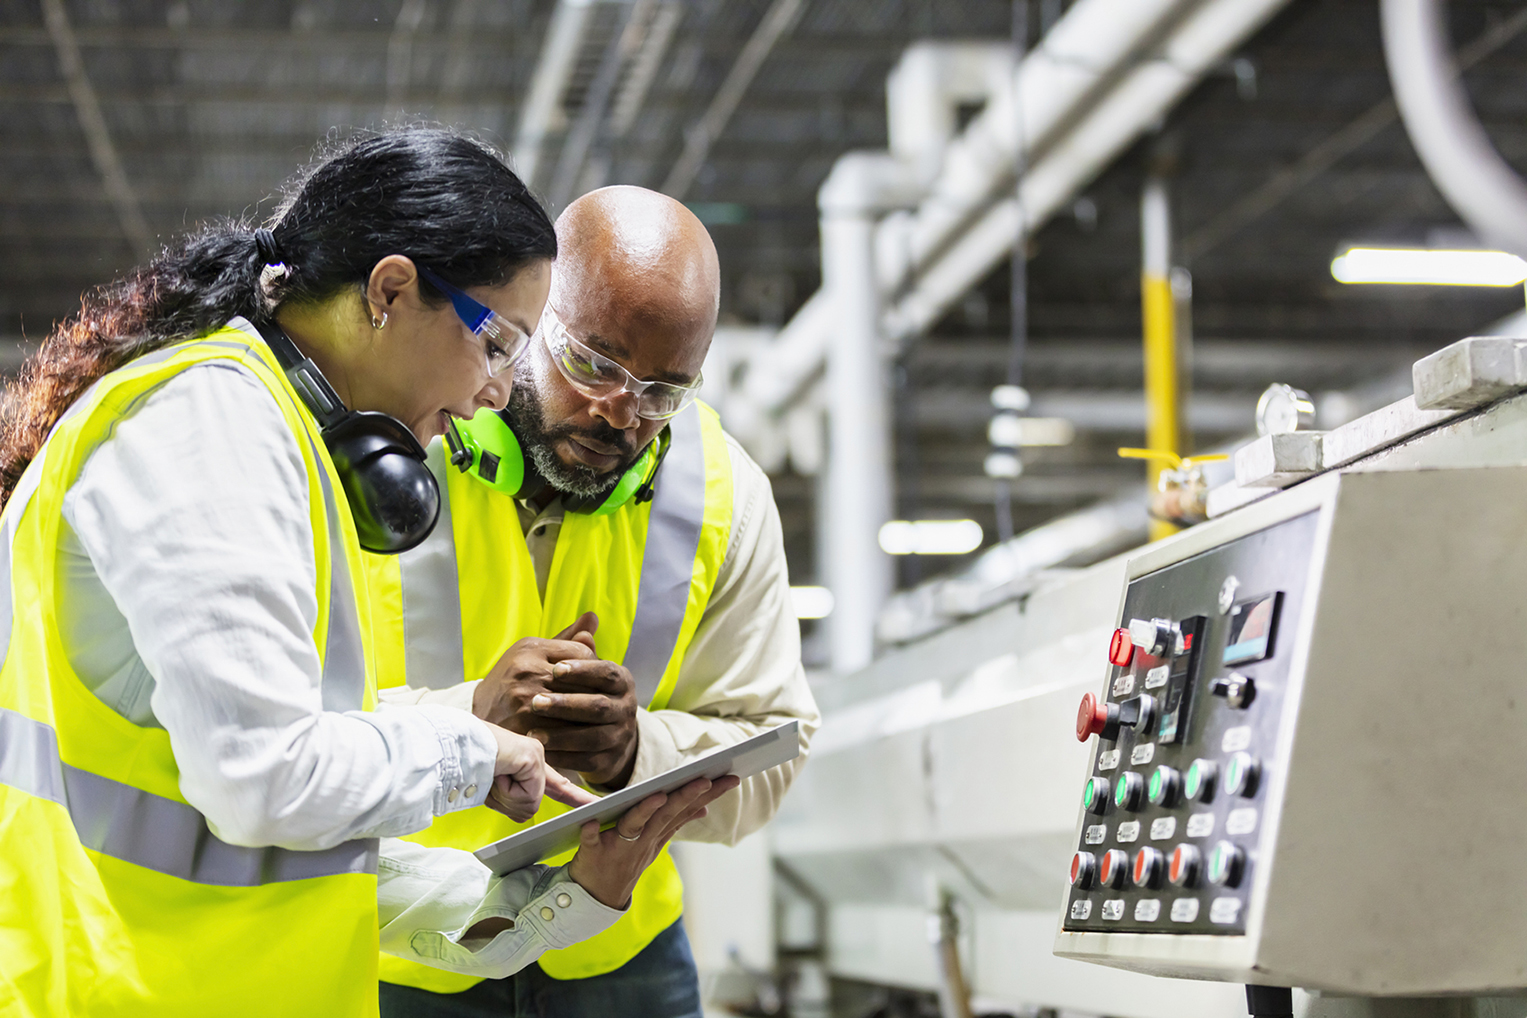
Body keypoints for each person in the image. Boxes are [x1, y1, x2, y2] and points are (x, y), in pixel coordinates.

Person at [0, 130, 731, 1018]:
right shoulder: (209, 427)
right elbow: (264, 780)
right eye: (497, 343)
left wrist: (571, 893)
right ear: (389, 291)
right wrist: (470, 751)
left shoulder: (278, 439)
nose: (500, 391)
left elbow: (303, 848)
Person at [369, 186, 821, 1018]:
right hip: (402, 948)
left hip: (616, 951)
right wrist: (465, 716)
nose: (619, 411)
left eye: (662, 392)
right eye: (592, 362)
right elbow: (280, 733)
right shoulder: (394, 449)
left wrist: (631, 752)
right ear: (532, 317)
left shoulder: (723, 495)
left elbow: (773, 749)